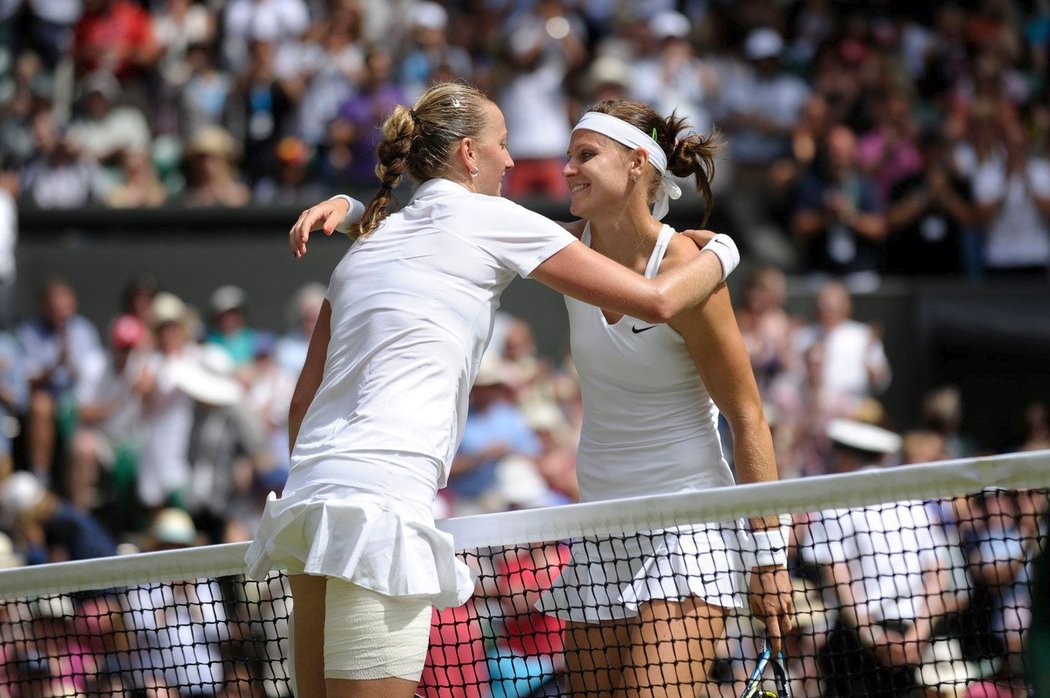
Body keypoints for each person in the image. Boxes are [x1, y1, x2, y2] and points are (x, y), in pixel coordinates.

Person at [248, 82, 738, 698]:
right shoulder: (491, 220)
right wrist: (724, 248)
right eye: (503, 144)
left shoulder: (367, 249)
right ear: (469, 155)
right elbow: (661, 298)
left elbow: (303, 401)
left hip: (307, 499)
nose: (515, 161)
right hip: (382, 503)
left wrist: (352, 211)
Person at [523, 100, 793, 696]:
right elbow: (457, 226)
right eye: (569, 156)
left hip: (688, 526)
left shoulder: (688, 268)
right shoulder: (563, 251)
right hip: (601, 526)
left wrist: (770, 557)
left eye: (585, 156)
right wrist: (361, 210)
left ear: (639, 163)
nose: (567, 170)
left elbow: (747, 414)